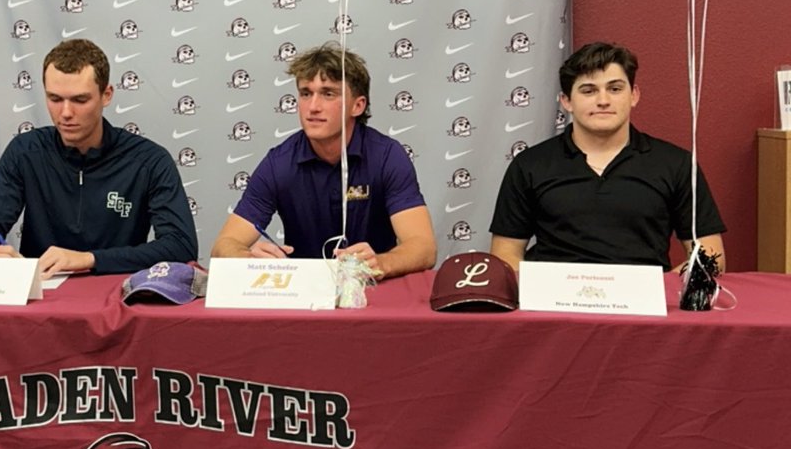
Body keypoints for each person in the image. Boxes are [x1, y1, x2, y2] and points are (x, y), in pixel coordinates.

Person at [0, 38, 197, 277]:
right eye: (55, 99)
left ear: (106, 95)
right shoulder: (25, 152)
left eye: (79, 100)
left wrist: (88, 259)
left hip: (116, 299)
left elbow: (180, 245)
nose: (65, 113)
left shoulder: (150, 161)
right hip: (42, 297)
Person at [490, 41, 726, 272]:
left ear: (633, 95)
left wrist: (661, 292)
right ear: (566, 101)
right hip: (553, 307)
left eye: (615, 89)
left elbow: (711, 257)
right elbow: (505, 254)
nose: (603, 101)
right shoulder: (530, 165)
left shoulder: (677, 164)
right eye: (589, 90)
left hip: (646, 305)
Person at [210, 42, 436, 279]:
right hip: (302, 296)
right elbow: (223, 246)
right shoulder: (279, 163)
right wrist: (249, 258)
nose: (313, 107)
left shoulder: (387, 156)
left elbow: (424, 248)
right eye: (306, 94)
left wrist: (380, 262)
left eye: (328, 94)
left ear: (358, 105)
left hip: (371, 291)